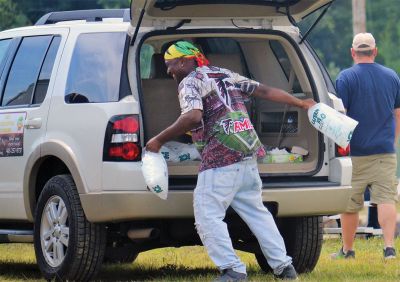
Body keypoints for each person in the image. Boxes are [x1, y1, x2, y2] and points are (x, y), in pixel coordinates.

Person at [146, 41, 316, 281]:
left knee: (206, 214)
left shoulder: (190, 82)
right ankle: (284, 268)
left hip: (221, 157)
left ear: (184, 61)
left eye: (170, 64)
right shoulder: (224, 73)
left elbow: (193, 116)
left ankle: (232, 270)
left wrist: (158, 140)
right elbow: (265, 91)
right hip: (247, 153)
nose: (168, 71)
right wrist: (300, 103)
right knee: (258, 213)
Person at [332, 33, 400, 259]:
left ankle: (348, 250)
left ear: (353, 52)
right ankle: (389, 248)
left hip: (355, 153)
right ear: (375, 51)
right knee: (386, 199)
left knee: (350, 204)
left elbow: (341, 117)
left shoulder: (346, 78)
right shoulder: (392, 77)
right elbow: (397, 113)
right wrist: (392, 140)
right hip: (385, 151)